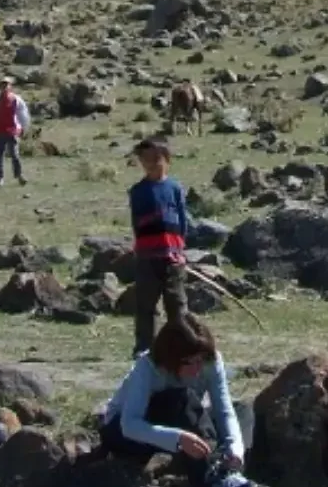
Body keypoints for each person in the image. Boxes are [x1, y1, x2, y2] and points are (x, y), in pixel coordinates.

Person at [100, 313, 254, 487]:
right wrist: (178, 438)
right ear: (171, 356)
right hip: (125, 431)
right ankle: (213, 477)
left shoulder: (211, 361)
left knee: (241, 410)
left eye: (200, 360)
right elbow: (129, 425)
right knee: (182, 398)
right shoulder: (148, 366)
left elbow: (223, 410)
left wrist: (235, 447)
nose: (197, 368)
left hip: (181, 423)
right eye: (189, 362)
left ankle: (231, 472)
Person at [129, 139, 191, 358]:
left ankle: (183, 346)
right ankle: (144, 347)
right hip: (147, 257)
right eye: (145, 160)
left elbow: (183, 221)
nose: (151, 164)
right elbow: (137, 223)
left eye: (156, 159)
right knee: (146, 305)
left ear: (167, 160)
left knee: (177, 303)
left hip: (173, 257)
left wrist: (180, 251)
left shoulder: (174, 188)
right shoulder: (138, 191)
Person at [0, 75, 30, 186]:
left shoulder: (16, 99)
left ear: (10, 86)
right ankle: (0, 179)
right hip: (0, 129)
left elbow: (22, 114)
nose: (4, 87)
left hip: (12, 130)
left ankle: (19, 175)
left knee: (15, 154)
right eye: (2, 85)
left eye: (6, 84)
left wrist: (24, 128)